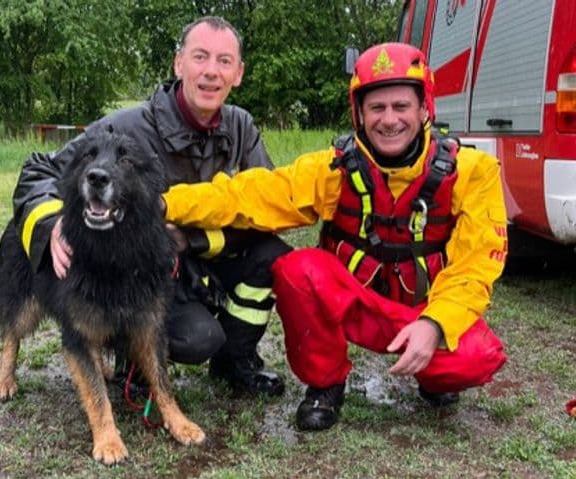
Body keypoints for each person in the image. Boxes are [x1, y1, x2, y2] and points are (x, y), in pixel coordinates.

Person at [160, 43, 508, 431]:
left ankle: (434, 378)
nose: (389, 120)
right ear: (359, 113)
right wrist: (164, 205)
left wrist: (436, 324)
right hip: (355, 306)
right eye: (377, 108)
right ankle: (326, 384)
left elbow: (477, 265)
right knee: (296, 268)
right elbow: (248, 195)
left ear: (425, 108)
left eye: (401, 107)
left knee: (478, 355)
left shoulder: (473, 172)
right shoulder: (335, 168)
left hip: (422, 314)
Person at [11, 16, 289, 397]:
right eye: (200, 57)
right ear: (179, 63)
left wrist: (192, 240)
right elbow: (39, 168)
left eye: (224, 61)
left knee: (272, 254)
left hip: (200, 258)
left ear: (238, 73)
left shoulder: (241, 127)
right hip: (146, 272)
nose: (211, 71)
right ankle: (134, 362)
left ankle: (235, 362)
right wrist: (49, 223)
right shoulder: (127, 126)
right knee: (197, 339)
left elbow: (267, 202)